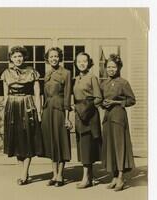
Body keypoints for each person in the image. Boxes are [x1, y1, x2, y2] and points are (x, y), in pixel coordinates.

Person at [1, 46, 43, 185]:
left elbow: (37, 94)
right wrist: (4, 112)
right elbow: (5, 95)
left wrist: (38, 111)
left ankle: (24, 173)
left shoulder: (32, 72)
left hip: (27, 105)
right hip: (12, 107)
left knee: (27, 139)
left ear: (24, 57)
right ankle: (22, 172)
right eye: (15, 57)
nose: (18, 59)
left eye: (20, 56)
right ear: (11, 59)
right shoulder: (6, 73)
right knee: (16, 140)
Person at [100, 54, 136, 191]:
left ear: (119, 67)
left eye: (114, 67)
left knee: (120, 146)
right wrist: (103, 104)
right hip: (108, 117)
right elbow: (101, 101)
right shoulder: (103, 84)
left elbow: (132, 100)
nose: (111, 69)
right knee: (110, 147)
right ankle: (114, 176)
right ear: (105, 68)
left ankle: (121, 177)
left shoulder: (123, 83)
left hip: (119, 117)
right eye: (108, 67)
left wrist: (116, 102)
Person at [41, 47, 72, 187]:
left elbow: (67, 97)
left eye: (56, 56)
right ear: (48, 59)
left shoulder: (66, 73)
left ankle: (60, 175)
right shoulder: (47, 74)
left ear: (60, 58)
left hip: (60, 110)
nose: (54, 59)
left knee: (61, 140)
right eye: (51, 56)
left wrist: (67, 117)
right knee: (52, 141)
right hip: (48, 111)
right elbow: (44, 95)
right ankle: (54, 174)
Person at [73, 52, 102, 189]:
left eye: (84, 61)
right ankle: (90, 176)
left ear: (89, 62)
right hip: (79, 114)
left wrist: (87, 109)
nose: (82, 64)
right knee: (83, 145)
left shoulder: (92, 77)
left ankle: (86, 178)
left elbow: (98, 98)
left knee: (87, 145)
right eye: (79, 61)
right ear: (76, 63)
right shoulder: (77, 78)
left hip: (89, 114)